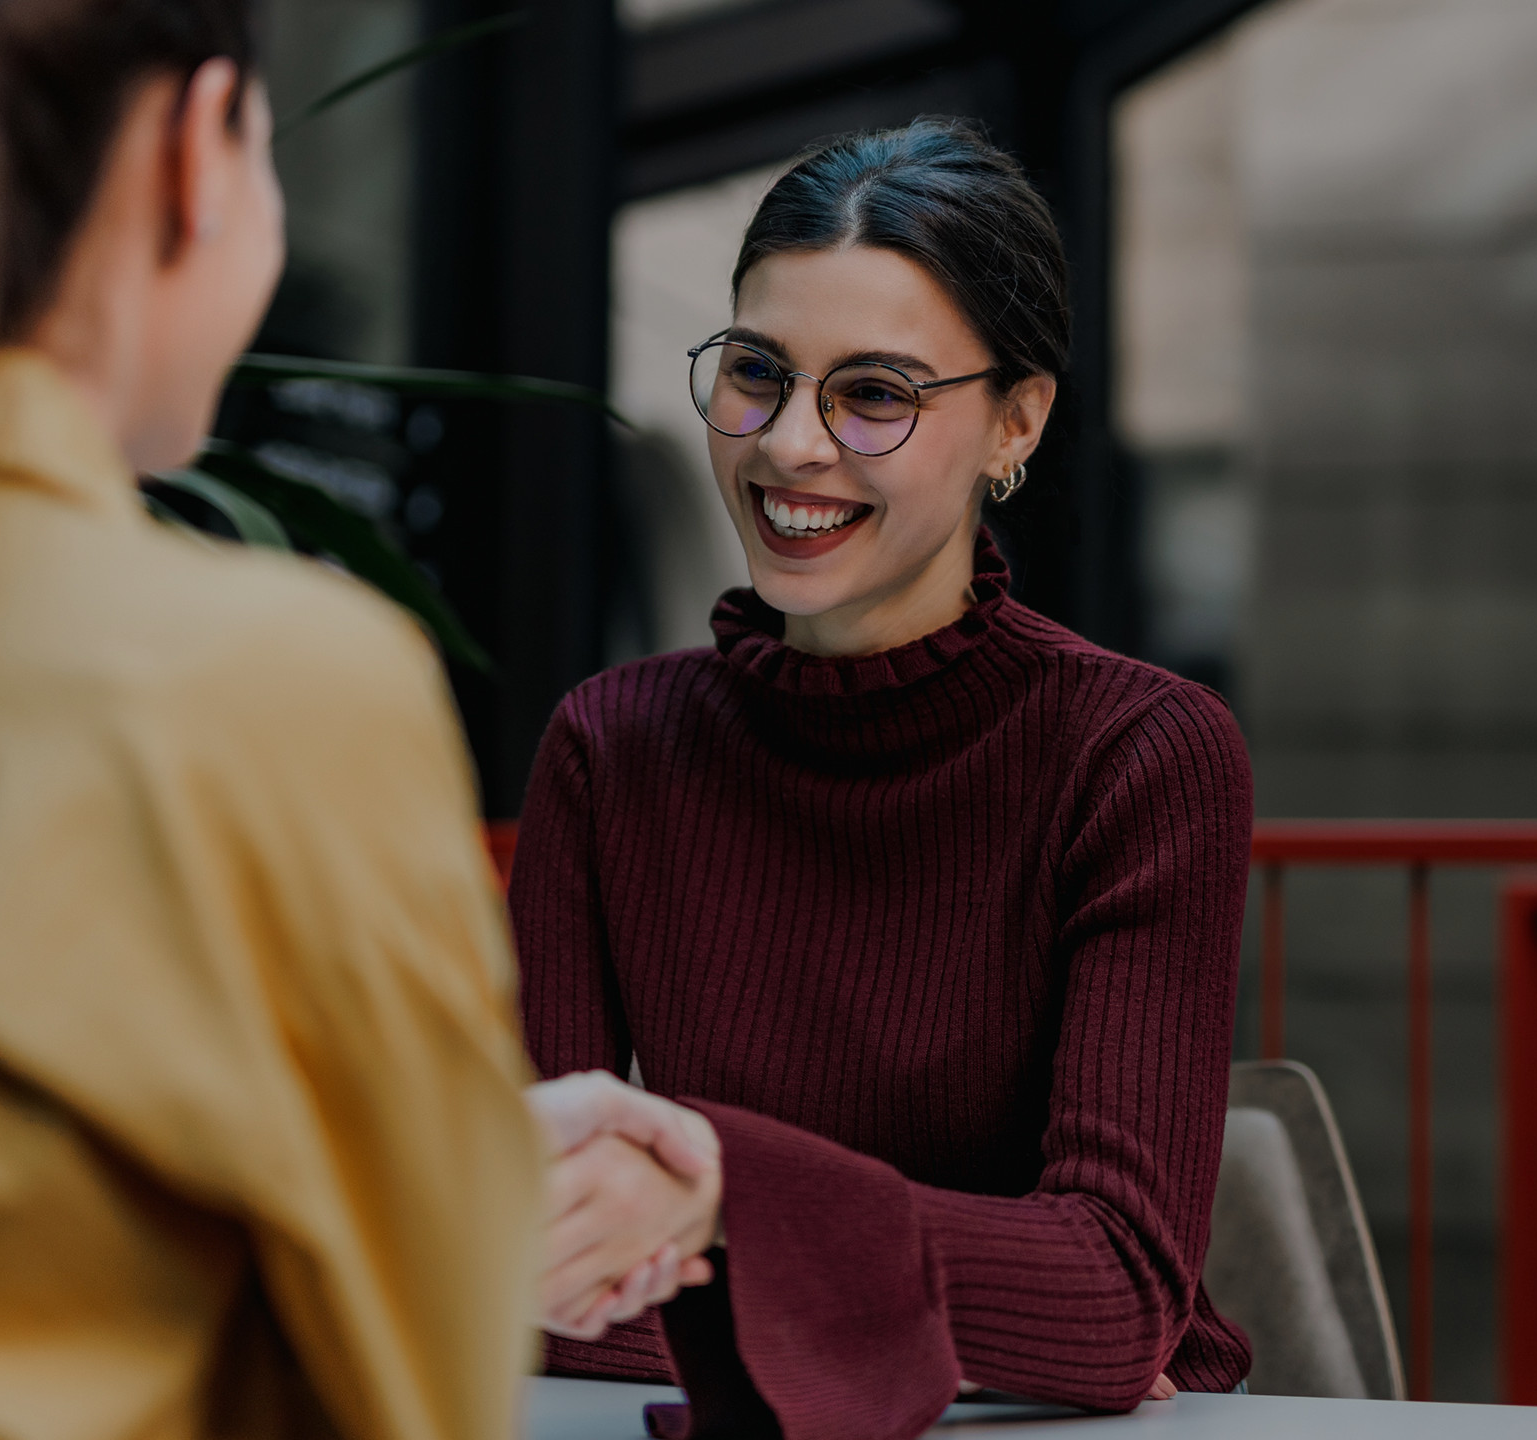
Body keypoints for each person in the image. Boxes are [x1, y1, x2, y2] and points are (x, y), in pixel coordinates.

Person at [0, 1, 711, 1435]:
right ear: (192, 155)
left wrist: (451, 1160)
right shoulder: (270, 691)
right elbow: (412, 1394)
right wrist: (453, 1204)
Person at [512, 118, 1257, 1440]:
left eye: (874, 394)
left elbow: (1112, 1299)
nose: (790, 445)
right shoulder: (608, 748)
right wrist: (962, 1318)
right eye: (756, 373)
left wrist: (713, 1207)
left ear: (1015, 422)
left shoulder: (1140, 756)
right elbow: (522, 1262)